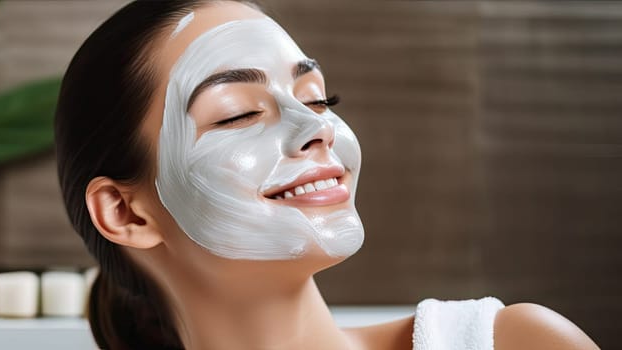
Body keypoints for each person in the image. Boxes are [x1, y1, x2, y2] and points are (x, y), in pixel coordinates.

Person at [54, 1, 599, 349]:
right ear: (125, 212)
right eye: (238, 113)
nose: (318, 129)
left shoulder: (506, 342)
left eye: (317, 99)